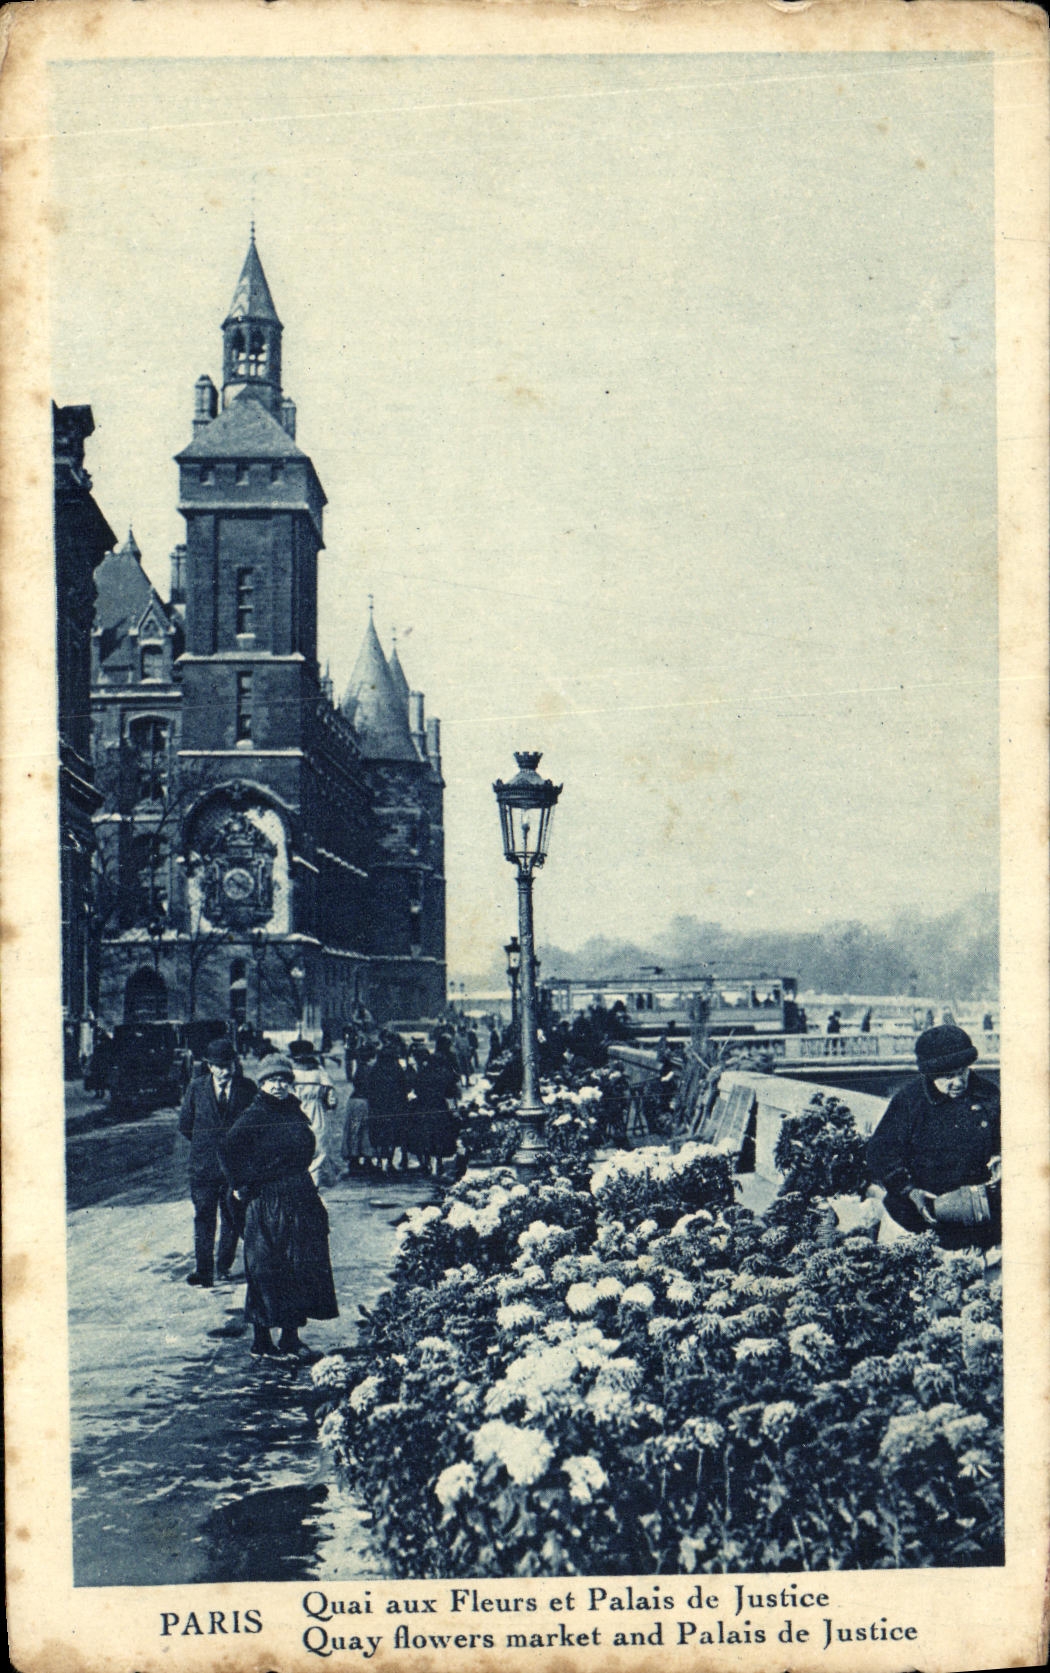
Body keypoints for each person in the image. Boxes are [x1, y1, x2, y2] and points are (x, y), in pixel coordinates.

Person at [220, 1056, 338, 1359]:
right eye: (272, 1080)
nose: (278, 1085)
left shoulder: (294, 1111)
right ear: (261, 1084)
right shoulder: (254, 1115)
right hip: (267, 1201)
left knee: (298, 1268)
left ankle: (290, 1337)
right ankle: (261, 1341)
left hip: (299, 1196)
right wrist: (242, 1184)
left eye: (284, 1080)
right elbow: (228, 1151)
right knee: (265, 1270)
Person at [866, 1025, 1000, 1250]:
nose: (958, 1082)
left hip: (977, 1220)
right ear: (930, 1074)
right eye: (948, 1076)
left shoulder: (988, 1094)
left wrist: (1000, 1160)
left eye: (963, 1072)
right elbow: (880, 1152)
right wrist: (908, 1191)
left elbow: (1010, 1141)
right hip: (916, 1221)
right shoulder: (910, 1101)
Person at [177, 1039, 256, 1287]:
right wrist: (207, 1145)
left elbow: (254, 1128)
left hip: (235, 1169)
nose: (223, 1071)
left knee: (232, 1217)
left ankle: (223, 1266)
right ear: (209, 1066)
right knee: (204, 1217)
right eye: (218, 1066)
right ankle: (204, 1271)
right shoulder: (196, 1089)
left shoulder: (247, 1088)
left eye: (228, 1065)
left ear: (235, 1064)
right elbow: (185, 1125)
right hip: (203, 1168)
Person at [292, 1048, 339, 1188]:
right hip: (317, 1114)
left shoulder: (291, 1075)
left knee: (298, 1150)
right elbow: (332, 1101)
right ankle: (315, 1184)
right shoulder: (321, 1075)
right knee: (319, 1150)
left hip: (296, 1114)